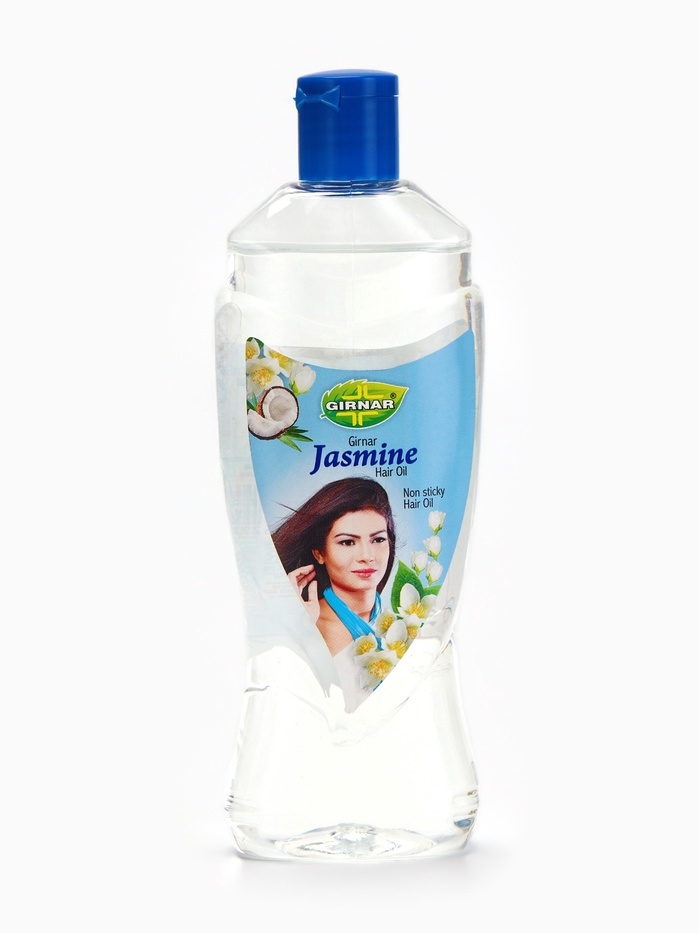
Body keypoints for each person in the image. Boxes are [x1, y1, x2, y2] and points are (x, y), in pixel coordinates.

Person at [271, 478, 396, 707]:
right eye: (348, 542)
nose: (367, 556)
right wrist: (295, 628)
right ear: (319, 553)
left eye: (378, 539)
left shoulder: (403, 625)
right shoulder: (310, 626)